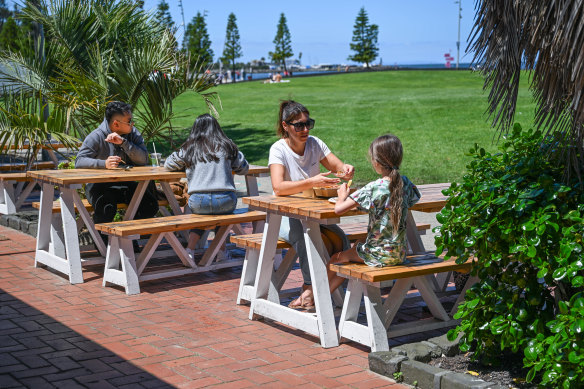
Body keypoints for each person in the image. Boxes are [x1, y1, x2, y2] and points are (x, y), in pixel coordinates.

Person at [269, 100, 354, 309]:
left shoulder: (315, 143)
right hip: (283, 216)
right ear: (285, 126)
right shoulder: (278, 149)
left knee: (339, 240)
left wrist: (346, 170)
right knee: (307, 237)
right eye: (299, 125)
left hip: (313, 213)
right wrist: (312, 181)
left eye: (308, 124)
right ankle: (309, 288)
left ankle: (318, 294)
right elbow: (278, 188)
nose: (305, 129)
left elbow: (338, 167)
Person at [326, 134, 421, 294]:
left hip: (378, 255)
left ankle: (319, 298)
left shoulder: (373, 188)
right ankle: (324, 297)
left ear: (376, 163)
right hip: (400, 253)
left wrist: (341, 196)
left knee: (336, 258)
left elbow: (339, 209)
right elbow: (414, 199)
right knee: (357, 244)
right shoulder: (405, 183)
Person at [164, 113, 249, 261]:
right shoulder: (227, 146)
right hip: (225, 199)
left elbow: (168, 165)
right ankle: (221, 252)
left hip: (198, 201)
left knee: (202, 216)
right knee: (222, 216)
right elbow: (244, 168)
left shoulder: (189, 148)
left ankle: (190, 250)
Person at [75, 101, 159, 245]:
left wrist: (124, 143)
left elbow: (143, 159)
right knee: (106, 208)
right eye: (129, 121)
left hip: (126, 184)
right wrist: (103, 164)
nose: (132, 124)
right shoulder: (96, 137)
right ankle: (104, 248)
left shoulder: (133, 134)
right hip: (99, 186)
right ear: (116, 124)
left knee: (150, 205)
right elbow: (79, 162)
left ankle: (128, 242)